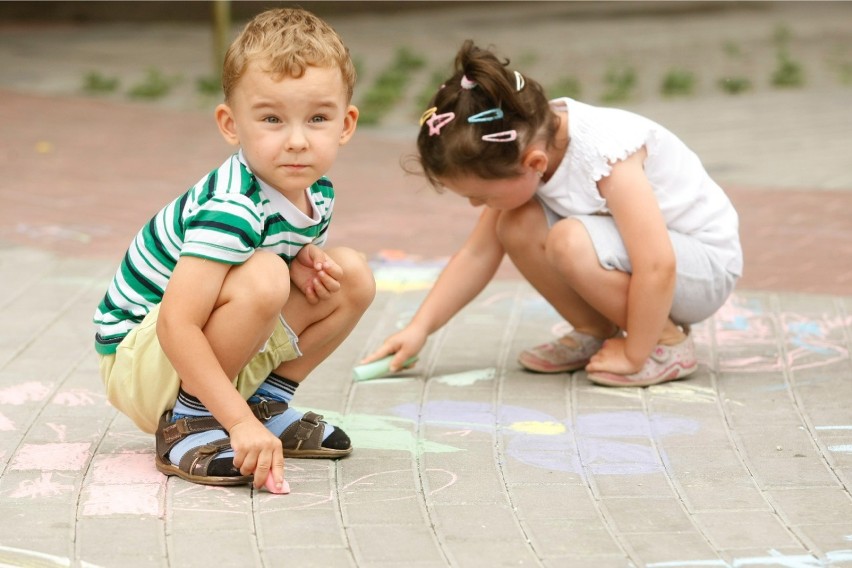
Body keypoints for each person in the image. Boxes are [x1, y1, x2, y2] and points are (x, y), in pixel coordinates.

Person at [93, 8, 375, 490]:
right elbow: (175, 323)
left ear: (346, 124)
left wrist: (301, 262)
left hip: (196, 352)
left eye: (318, 118)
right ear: (230, 123)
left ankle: (264, 405)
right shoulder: (232, 204)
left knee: (350, 274)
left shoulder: (318, 191)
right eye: (271, 119)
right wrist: (235, 425)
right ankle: (192, 421)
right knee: (265, 274)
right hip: (140, 360)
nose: (297, 141)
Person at [363, 40, 742, 388]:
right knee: (516, 222)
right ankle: (596, 329)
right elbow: (478, 254)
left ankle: (667, 343)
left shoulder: (608, 154)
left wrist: (634, 353)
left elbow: (658, 265)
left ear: (534, 162)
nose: (475, 205)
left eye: (481, 195)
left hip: (702, 269)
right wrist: (419, 329)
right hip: (654, 267)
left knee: (569, 240)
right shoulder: (528, 136)